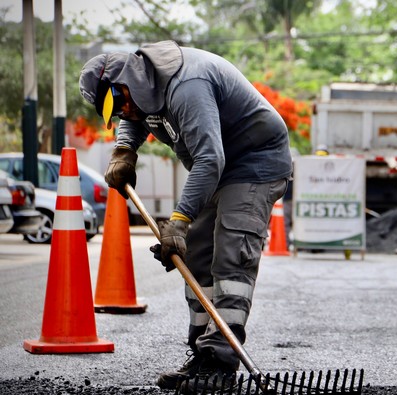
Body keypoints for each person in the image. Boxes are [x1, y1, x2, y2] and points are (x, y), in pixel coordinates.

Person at [79, 40, 292, 393]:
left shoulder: (187, 85)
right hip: (216, 165)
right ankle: (202, 355)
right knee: (195, 257)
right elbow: (138, 115)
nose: (122, 113)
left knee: (231, 254)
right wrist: (125, 148)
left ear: (128, 82)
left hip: (255, 162)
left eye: (119, 103)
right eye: (114, 112)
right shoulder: (143, 88)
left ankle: (220, 364)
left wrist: (178, 220)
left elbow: (211, 158)